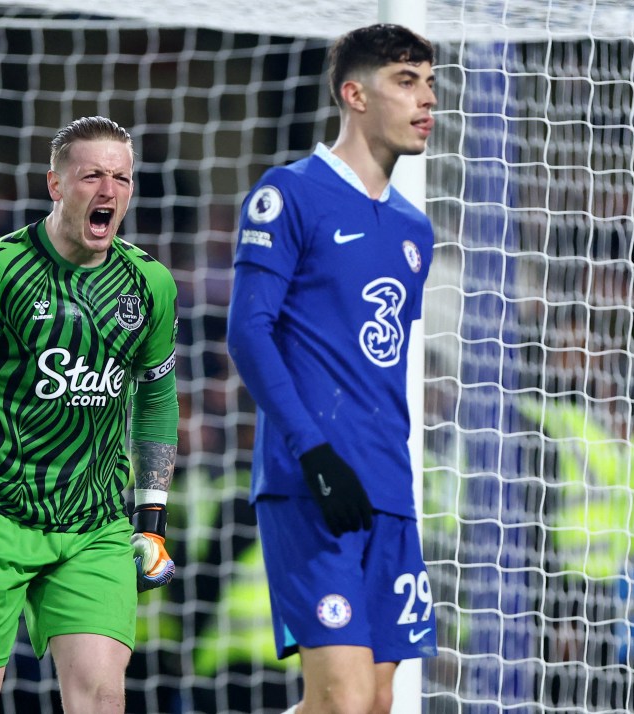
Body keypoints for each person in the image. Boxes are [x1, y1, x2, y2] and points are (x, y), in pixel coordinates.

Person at [0, 116, 180, 714]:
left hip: (94, 526)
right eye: (91, 175)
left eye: (121, 177)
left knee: (102, 697)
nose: (109, 190)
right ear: (55, 185)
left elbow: (157, 399)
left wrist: (150, 518)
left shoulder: (149, 285)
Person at [226, 24, 438, 714]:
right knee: (344, 701)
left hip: (389, 487)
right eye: (406, 82)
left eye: (429, 82)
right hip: (310, 481)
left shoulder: (414, 230)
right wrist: (312, 450)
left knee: (374, 705)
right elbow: (248, 333)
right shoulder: (288, 194)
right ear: (354, 94)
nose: (426, 99)